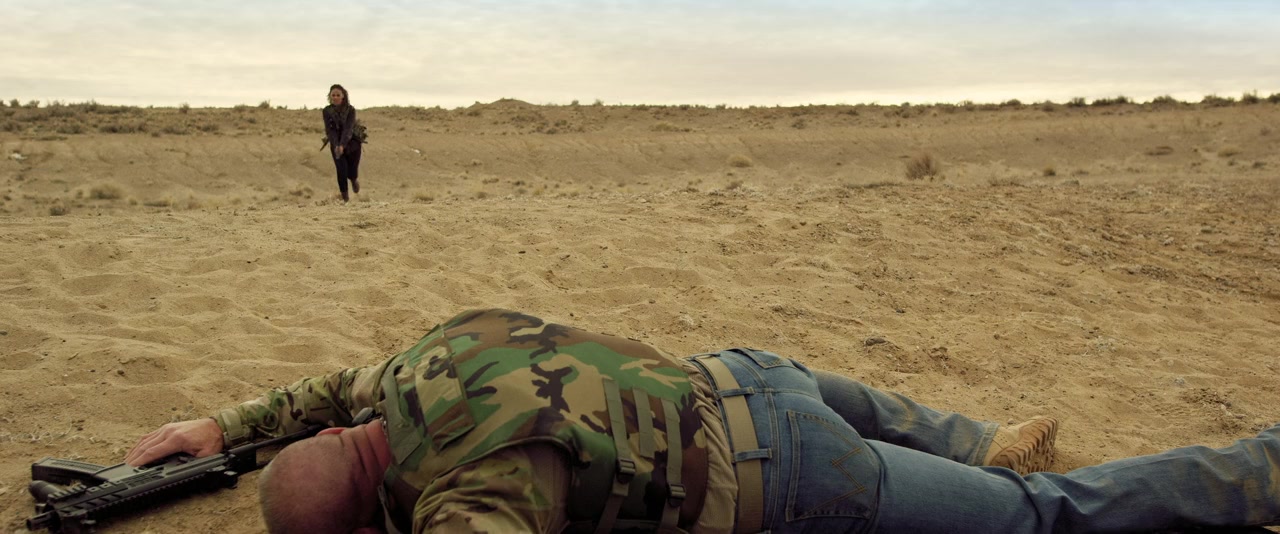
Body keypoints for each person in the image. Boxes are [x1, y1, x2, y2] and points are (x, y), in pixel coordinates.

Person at [126, 308, 1280, 533]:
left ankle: (1259, 470)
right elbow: (327, 387)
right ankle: (970, 438)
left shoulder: (475, 498)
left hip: (791, 470)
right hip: (747, 373)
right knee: (911, 429)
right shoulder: (423, 359)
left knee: (1040, 518)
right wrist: (223, 428)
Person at [323, 84, 363, 203]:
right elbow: (330, 130)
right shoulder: (327, 111)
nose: (335, 97)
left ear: (343, 96)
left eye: (338, 95)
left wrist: (343, 144)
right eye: (333, 95)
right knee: (341, 170)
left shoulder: (350, 110)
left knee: (352, 169)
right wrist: (336, 145)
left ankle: (354, 180)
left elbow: (348, 128)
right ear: (330, 96)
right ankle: (345, 199)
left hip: (352, 143)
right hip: (336, 143)